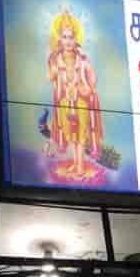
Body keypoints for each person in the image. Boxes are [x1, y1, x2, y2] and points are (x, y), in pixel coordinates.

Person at [48, 9, 103, 180]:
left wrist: (86, 87)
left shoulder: (82, 58)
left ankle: (80, 167)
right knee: (70, 135)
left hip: (81, 102)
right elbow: (51, 78)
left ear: (76, 39)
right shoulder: (55, 59)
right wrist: (54, 67)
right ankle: (77, 162)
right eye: (64, 37)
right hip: (65, 102)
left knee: (80, 136)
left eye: (71, 37)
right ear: (59, 39)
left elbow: (93, 79)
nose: (68, 41)